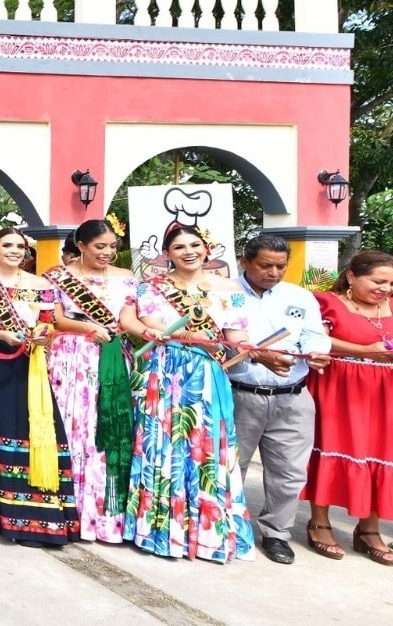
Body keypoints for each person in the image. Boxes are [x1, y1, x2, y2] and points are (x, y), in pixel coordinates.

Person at [117, 221, 255, 562]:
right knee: (161, 444)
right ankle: (159, 531)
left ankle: (206, 535)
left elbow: (235, 338)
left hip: (206, 374)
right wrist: (149, 332)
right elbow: (128, 320)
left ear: (207, 249)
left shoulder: (228, 289)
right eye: (179, 247)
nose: (188, 251)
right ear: (167, 254)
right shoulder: (150, 288)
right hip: (162, 372)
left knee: (205, 447)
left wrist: (249, 348)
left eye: (195, 245)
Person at [0, 226, 79, 546]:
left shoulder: (40, 284)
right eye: (7, 245)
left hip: (27, 363)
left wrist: (42, 334)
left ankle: (35, 520)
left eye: (20, 246)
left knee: (28, 428)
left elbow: (47, 323)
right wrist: (0, 335)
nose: (15, 250)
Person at [227, 235, 331, 564]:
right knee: (232, 466)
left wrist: (317, 352)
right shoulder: (225, 293)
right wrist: (257, 356)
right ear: (245, 262)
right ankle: (230, 528)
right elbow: (220, 341)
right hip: (240, 394)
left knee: (288, 472)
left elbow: (316, 335)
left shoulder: (299, 296)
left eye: (280, 266)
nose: (274, 272)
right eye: (265, 265)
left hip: (293, 397)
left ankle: (276, 533)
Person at [302, 249, 393, 565]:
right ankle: (319, 523)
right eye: (378, 281)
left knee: (381, 454)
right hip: (339, 386)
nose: (386, 289)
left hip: (387, 391)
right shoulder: (327, 303)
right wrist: (364, 350)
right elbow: (316, 339)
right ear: (351, 275)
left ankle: (369, 530)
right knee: (331, 448)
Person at [45, 218, 139, 544]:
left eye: (113, 247)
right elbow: (55, 319)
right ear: (81, 246)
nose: (108, 253)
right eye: (100, 246)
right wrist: (87, 328)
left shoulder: (127, 279)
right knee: (73, 427)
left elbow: (129, 320)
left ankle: (104, 514)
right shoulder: (59, 277)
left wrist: (138, 331)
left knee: (108, 428)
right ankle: (67, 512)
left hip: (112, 356)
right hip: (71, 357)